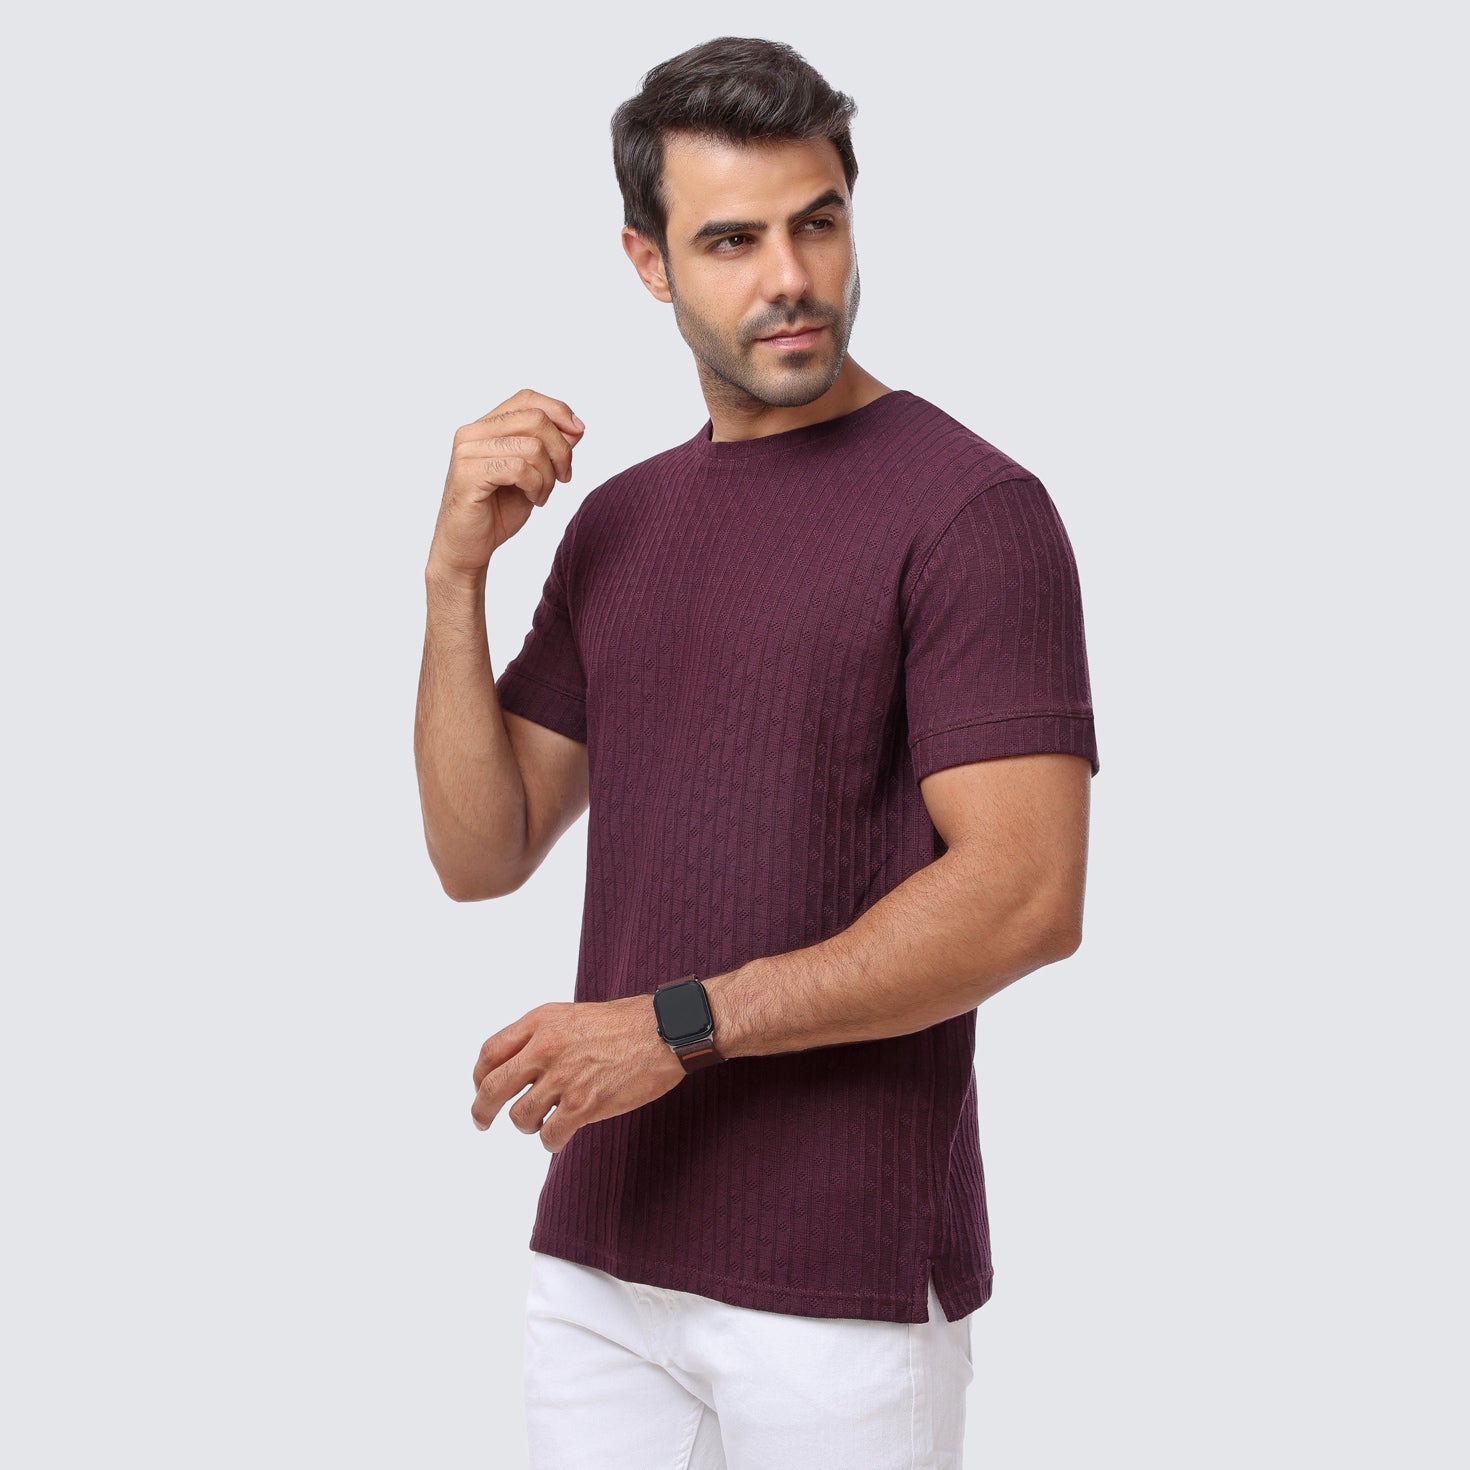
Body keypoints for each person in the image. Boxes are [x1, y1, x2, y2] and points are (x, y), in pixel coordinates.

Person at [414, 34, 1099, 1470]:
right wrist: (454, 578)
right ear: (648, 262)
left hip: (836, 1275)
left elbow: (1027, 896)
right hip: (601, 1256)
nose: (791, 278)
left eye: (818, 223)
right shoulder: (623, 523)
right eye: (731, 240)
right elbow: (482, 850)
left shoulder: (971, 511)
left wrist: (671, 1024)